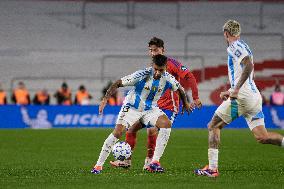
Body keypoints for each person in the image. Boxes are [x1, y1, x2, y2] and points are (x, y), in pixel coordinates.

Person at [194, 20, 284, 178]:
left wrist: (236, 90)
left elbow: (248, 65)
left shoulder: (233, 46)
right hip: (254, 96)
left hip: (243, 97)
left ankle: (212, 169)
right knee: (262, 137)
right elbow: (246, 70)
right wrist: (230, 90)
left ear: (226, 34)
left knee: (213, 125)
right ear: (239, 32)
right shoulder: (244, 45)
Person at [91, 54, 192, 174]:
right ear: (152, 66)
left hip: (150, 109)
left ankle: (154, 162)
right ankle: (98, 166)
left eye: (161, 70)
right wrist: (105, 99)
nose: (158, 73)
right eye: (156, 69)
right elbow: (117, 83)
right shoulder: (141, 75)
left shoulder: (168, 78)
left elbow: (180, 89)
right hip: (132, 107)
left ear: (165, 68)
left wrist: (185, 103)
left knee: (166, 124)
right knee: (118, 132)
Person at [110, 37, 202, 169]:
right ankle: (126, 161)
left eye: (156, 50)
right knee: (131, 128)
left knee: (151, 130)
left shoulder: (172, 64)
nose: (154, 53)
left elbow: (189, 76)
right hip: (153, 107)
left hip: (169, 107)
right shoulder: (152, 67)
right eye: (151, 50)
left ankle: (151, 162)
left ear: (163, 50)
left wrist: (195, 97)